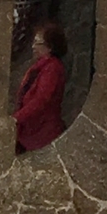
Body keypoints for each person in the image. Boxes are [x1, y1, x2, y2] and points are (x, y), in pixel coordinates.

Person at [13, 19, 68, 152]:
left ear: (50, 47)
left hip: (42, 132)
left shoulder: (52, 69)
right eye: (34, 42)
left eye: (38, 43)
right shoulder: (40, 66)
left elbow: (41, 99)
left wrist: (16, 118)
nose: (33, 46)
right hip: (31, 129)